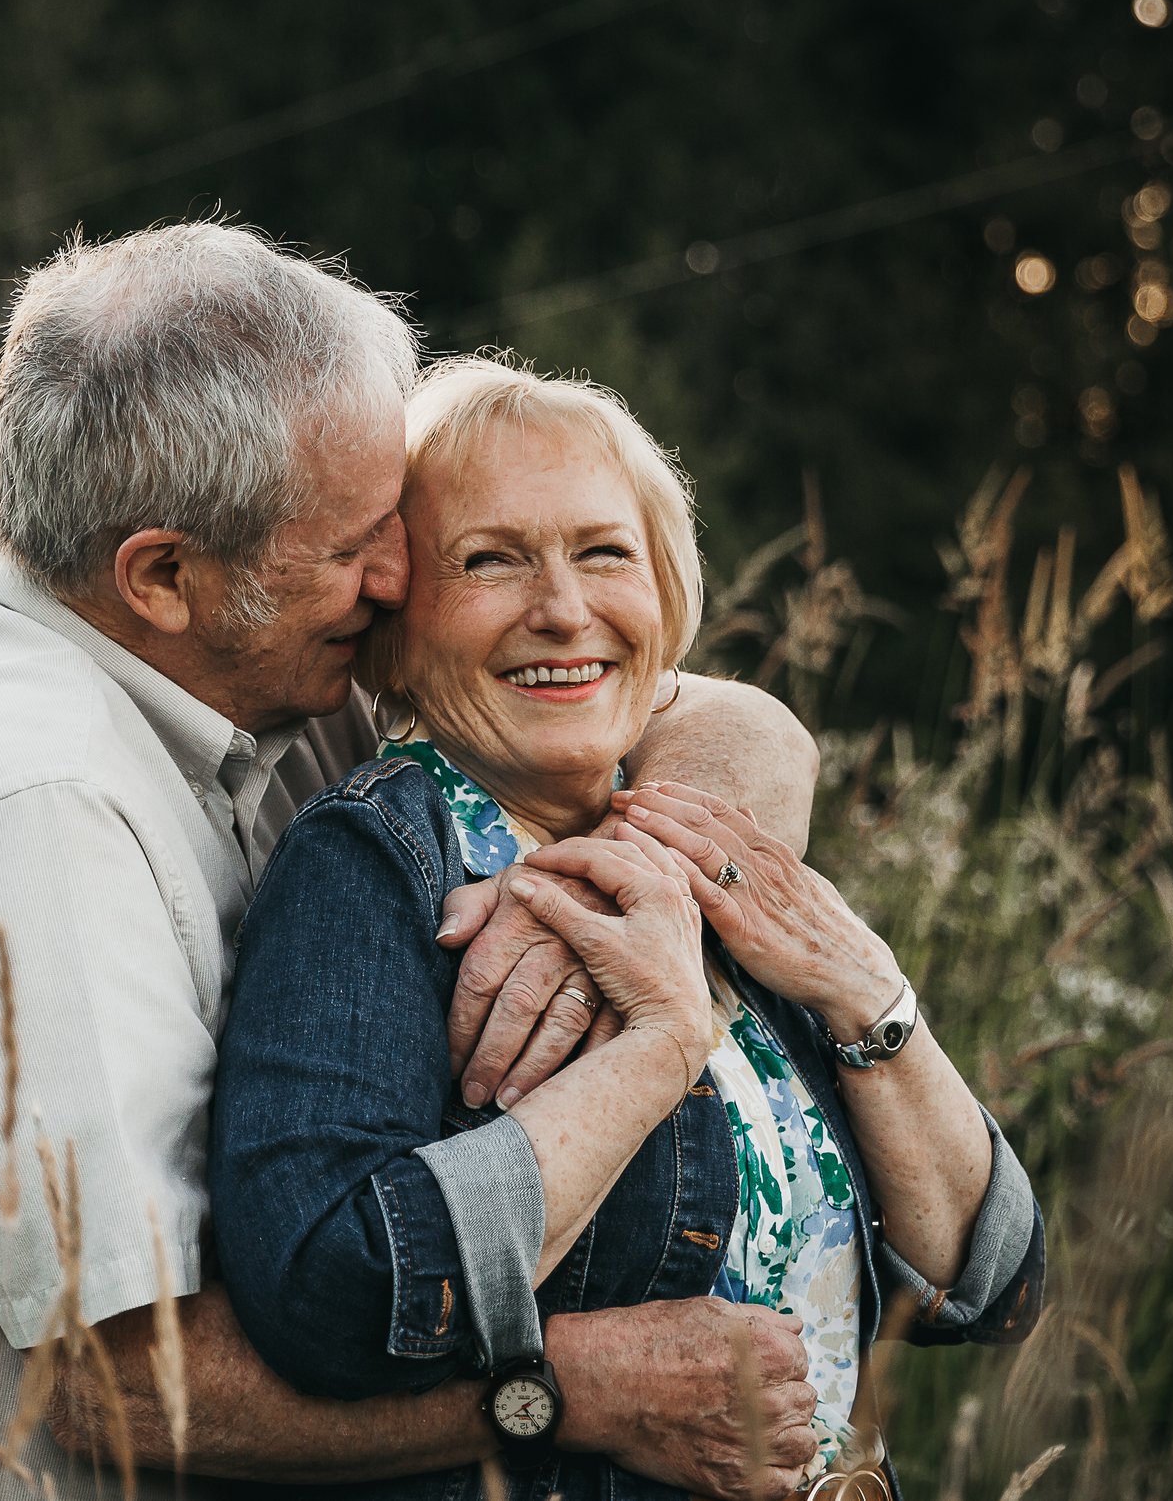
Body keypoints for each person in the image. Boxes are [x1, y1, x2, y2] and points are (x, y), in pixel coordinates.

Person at [0, 226, 824, 1501]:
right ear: (166, 574)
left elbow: (723, 716)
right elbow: (127, 1391)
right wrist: (575, 1390)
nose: (397, 577)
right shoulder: (27, 813)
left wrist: (622, 888)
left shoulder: (246, 666)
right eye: (360, 539)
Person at [209, 355, 1046, 1500]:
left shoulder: (706, 841)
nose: (563, 608)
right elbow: (327, 1291)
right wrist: (658, 1045)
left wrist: (867, 999)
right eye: (490, 559)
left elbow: (989, 1282)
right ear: (396, 620)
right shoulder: (375, 864)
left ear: (665, 592)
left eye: (603, 552)